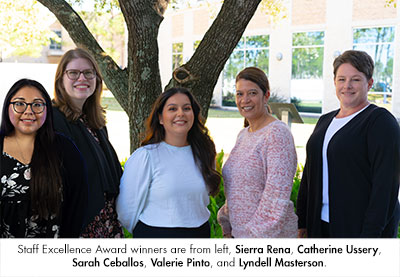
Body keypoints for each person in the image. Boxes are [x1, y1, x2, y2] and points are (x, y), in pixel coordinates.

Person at [297, 50, 400, 238]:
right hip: (320, 225)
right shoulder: (324, 121)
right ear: (334, 82)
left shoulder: (380, 122)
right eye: (342, 79)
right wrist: (302, 221)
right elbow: (309, 173)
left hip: (358, 229)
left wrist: (370, 236)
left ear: (369, 83)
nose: (347, 86)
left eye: (356, 79)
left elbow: (385, 187)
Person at [116, 87, 220, 238]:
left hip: (199, 234)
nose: (180, 113)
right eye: (172, 109)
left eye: (186, 108)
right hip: (156, 236)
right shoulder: (146, 156)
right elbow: (126, 209)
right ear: (160, 118)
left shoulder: (205, 153)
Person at [217, 67, 298, 238]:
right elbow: (238, 188)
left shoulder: (276, 134)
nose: (245, 100)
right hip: (239, 234)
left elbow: (276, 198)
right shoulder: (243, 134)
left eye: (252, 93)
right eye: (239, 94)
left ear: (266, 96)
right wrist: (227, 225)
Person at [0, 79, 87, 238]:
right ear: (8, 107)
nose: (28, 111)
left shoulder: (65, 149)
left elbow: (77, 205)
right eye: (20, 104)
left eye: (37, 105)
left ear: (47, 110)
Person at [52, 48, 123, 238]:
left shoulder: (96, 124)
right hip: (79, 226)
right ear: (61, 80)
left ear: (97, 80)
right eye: (73, 73)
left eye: (88, 73)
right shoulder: (52, 121)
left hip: (108, 224)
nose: (82, 78)